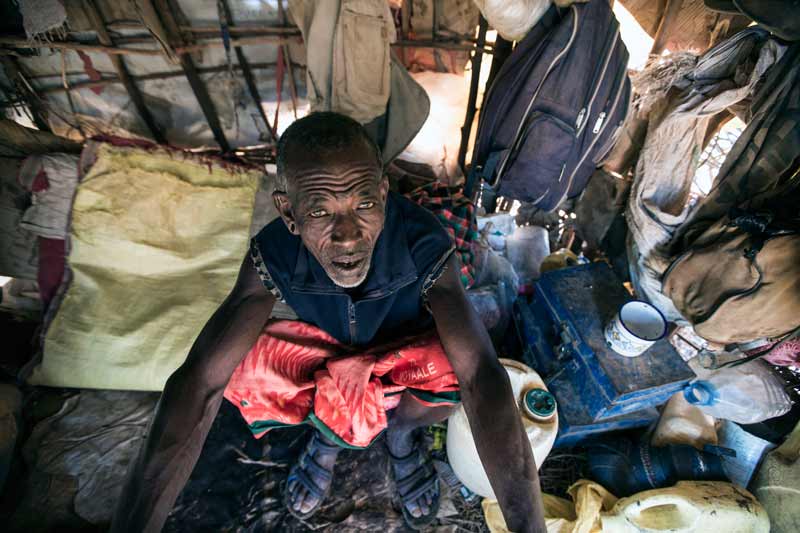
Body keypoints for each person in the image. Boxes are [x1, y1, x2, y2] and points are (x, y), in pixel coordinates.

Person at [111, 112, 546, 532]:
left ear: (383, 190)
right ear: (288, 213)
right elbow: (200, 384)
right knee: (246, 365)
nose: (349, 233)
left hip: (400, 353)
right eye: (320, 212)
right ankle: (330, 434)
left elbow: (480, 376)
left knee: (456, 366)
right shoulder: (274, 253)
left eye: (364, 204)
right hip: (329, 360)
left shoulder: (422, 239)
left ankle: (399, 435)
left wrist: (529, 524)